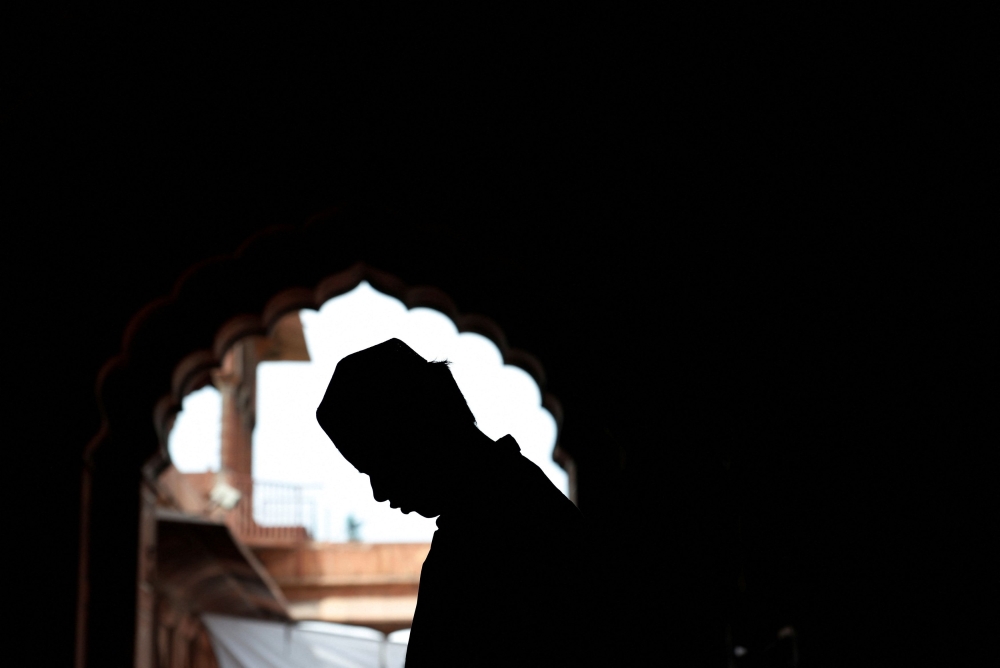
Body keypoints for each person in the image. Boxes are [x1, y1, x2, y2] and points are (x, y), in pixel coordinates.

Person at [316, 338, 603, 666]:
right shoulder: (511, 502)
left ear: (418, 431)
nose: (379, 492)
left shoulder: (496, 528)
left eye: (378, 466)